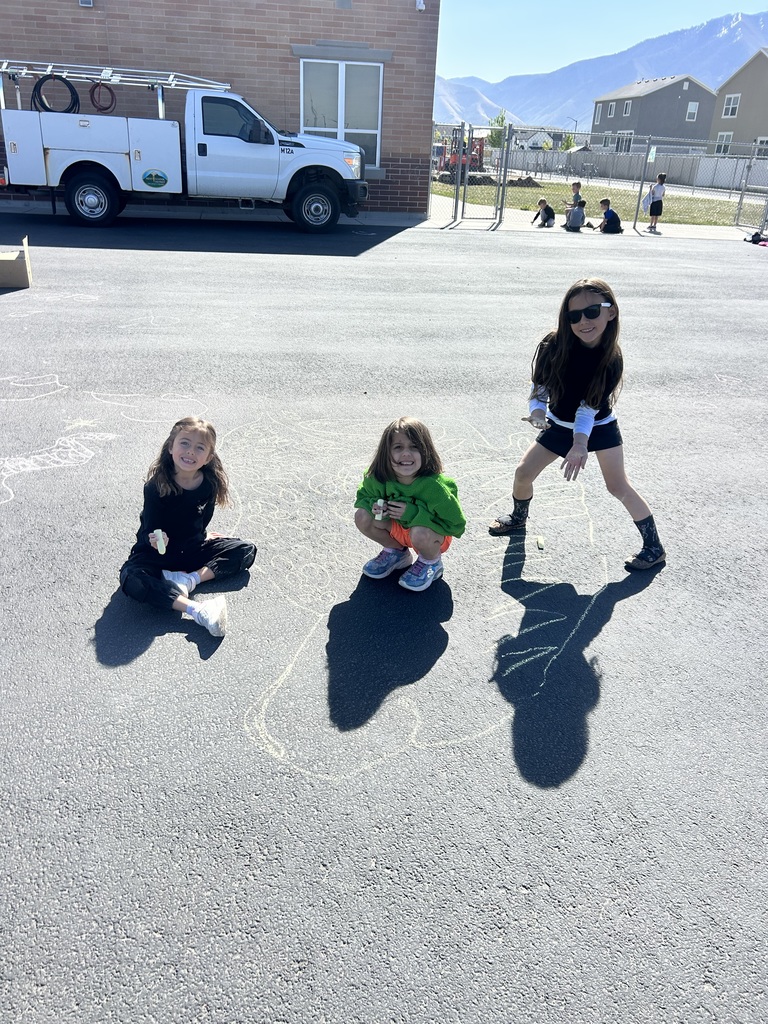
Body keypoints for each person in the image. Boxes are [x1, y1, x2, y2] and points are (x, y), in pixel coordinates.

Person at [488, 278, 666, 572]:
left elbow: (588, 408)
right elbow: (540, 386)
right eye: (574, 316)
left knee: (617, 486)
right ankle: (519, 517)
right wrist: (537, 412)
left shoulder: (611, 359)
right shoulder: (552, 344)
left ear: (611, 312)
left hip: (599, 426)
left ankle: (654, 547)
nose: (583, 321)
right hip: (558, 424)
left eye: (592, 311)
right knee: (523, 473)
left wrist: (581, 444)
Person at [119, 417, 257, 636]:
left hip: (192, 549)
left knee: (245, 549)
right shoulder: (156, 486)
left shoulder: (209, 484)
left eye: (199, 447)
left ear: (208, 457)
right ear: (171, 446)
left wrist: (203, 535)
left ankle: (188, 580)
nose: (191, 451)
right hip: (158, 555)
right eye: (184, 443)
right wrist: (154, 540)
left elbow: (202, 519)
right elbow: (147, 530)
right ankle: (197, 610)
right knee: (132, 579)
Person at [354, 417, 466, 591]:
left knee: (419, 532)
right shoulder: (378, 477)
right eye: (398, 447)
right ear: (386, 452)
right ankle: (397, 552)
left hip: (430, 536)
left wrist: (414, 515)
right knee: (362, 516)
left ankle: (431, 562)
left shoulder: (436, 487)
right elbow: (363, 498)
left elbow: (456, 525)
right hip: (398, 531)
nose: (406, 454)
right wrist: (375, 506)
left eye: (414, 447)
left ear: (426, 451)